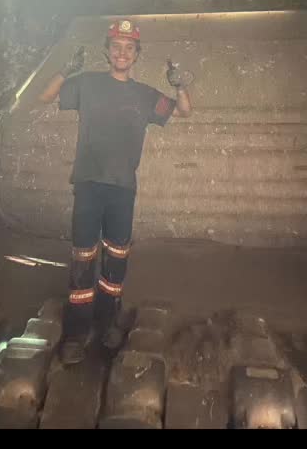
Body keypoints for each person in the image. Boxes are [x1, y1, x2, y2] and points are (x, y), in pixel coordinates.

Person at [39, 19, 192, 364]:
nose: (122, 53)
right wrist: (65, 70)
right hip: (88, 184)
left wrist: (180, 85)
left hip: (122, 188)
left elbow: (184, 111)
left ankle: (108, 322)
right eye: (116, 47)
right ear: (107, 52)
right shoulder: (87, 84)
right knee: (83, 258)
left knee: (116, 258)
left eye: (129, 48)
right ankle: (77, 333)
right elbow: (44, 96)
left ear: (136, 54)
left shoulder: (145, 95)